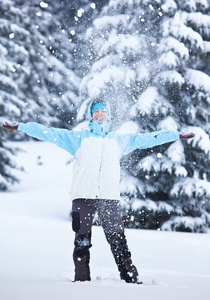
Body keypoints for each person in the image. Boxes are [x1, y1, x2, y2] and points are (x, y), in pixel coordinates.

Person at [2, 99, 195, 284]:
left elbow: (150, 138)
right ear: (91, 117)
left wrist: (176, 135)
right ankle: (82, 280)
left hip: (108, 197)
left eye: (104, 112)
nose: (100, 115)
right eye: (96, 112)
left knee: (117, 239)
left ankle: (130, 278)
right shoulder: (77, 139)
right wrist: (21, 126)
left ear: (109, 116)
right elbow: (47, 132)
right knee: (82, 240)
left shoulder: (119, 141)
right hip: (83, 196)